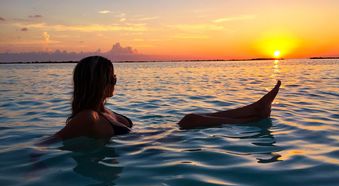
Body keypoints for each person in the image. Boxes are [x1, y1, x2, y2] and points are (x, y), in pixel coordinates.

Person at [54, 55, 280, 140]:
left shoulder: (103, 111)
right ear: (97, 83)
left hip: (148, 138)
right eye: (111, 79)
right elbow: (47, 143)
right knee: (190, 120)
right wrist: (36, 163)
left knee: (190, 118)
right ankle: (253, 117)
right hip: (142, 150)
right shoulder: (89, 117)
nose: (115, 83)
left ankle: (254, 110)